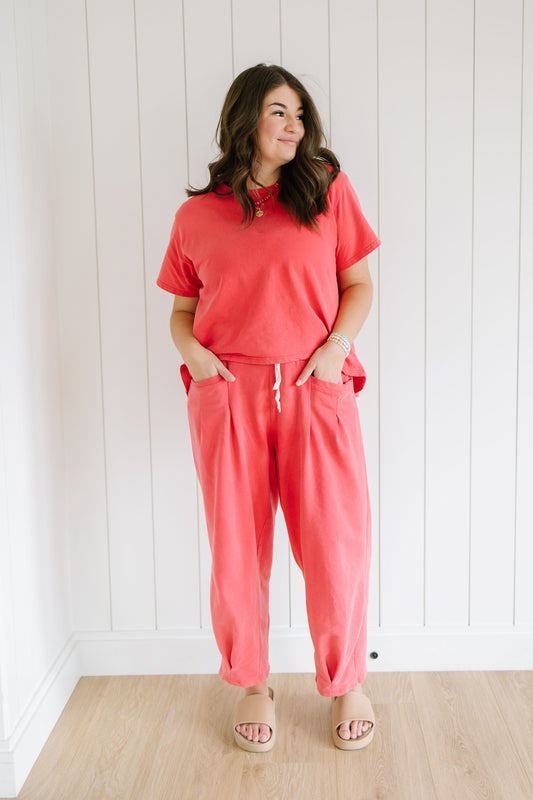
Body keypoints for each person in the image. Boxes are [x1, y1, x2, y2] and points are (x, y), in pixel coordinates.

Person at [157, 63, 381, 752]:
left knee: (334, 544)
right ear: (246, 118)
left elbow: (359, 284)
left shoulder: (326, 194)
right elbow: (181, 313)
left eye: (300, 114)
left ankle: (346, 680)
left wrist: (333, 349)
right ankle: (252, 681)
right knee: (236, 550)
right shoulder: (196, 216)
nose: (295, 126)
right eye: (280, 112)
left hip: (316, 384)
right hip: (229, 394)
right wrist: (196, 360)